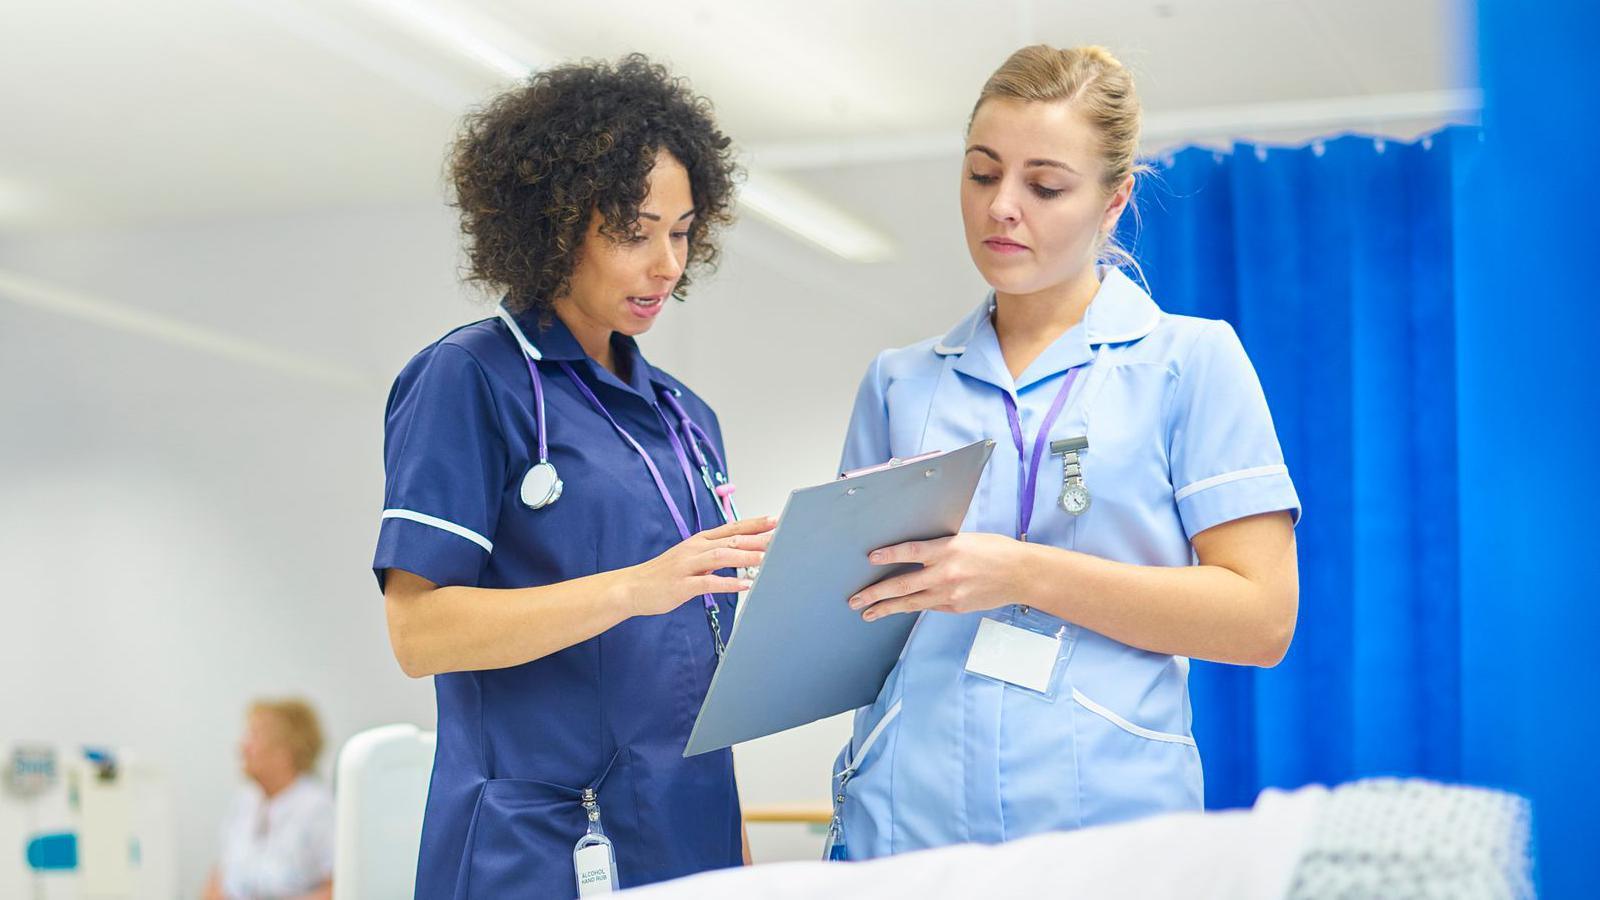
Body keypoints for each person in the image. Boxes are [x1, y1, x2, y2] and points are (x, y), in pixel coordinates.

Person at [829, 44, 1302, 859]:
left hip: (1110, 828)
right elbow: (853, 621)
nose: (1002, 207)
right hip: (906, 824)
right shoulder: (900, 384)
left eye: (1044, 186)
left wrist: (1020, 572)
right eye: (982, 174)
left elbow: (1261, 620)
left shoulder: (1187, 362)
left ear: (1115, 199)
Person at [373, 54, 773, 898]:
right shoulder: (471, 379)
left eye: (683, 230)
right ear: (556, 226)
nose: (666, 264)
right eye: (634, 231)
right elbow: (419, 632)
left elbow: (692, 663)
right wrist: (634, 588)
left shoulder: (686, 418)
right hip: (540, 847)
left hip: (688, 832)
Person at [204, 699, 334, 900]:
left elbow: (337, 888)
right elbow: (219, 876)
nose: (242, 746)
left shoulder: (319, 809)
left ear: (285, 751)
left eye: (254, 736)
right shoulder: (245, 802)